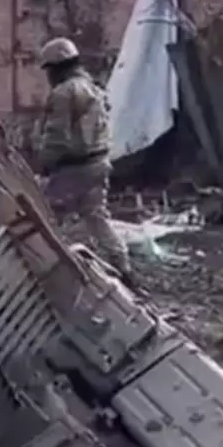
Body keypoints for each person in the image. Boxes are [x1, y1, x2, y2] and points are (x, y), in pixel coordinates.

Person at [34, 37, 134, 285]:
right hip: (98, 163)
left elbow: (57, 136)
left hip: (73, 168)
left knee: (44, 214)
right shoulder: (93, 88)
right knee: (97, 217)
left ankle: (44, 268)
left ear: (56, 67)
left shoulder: (64, 93)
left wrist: (44, 164)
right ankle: (123, 266)